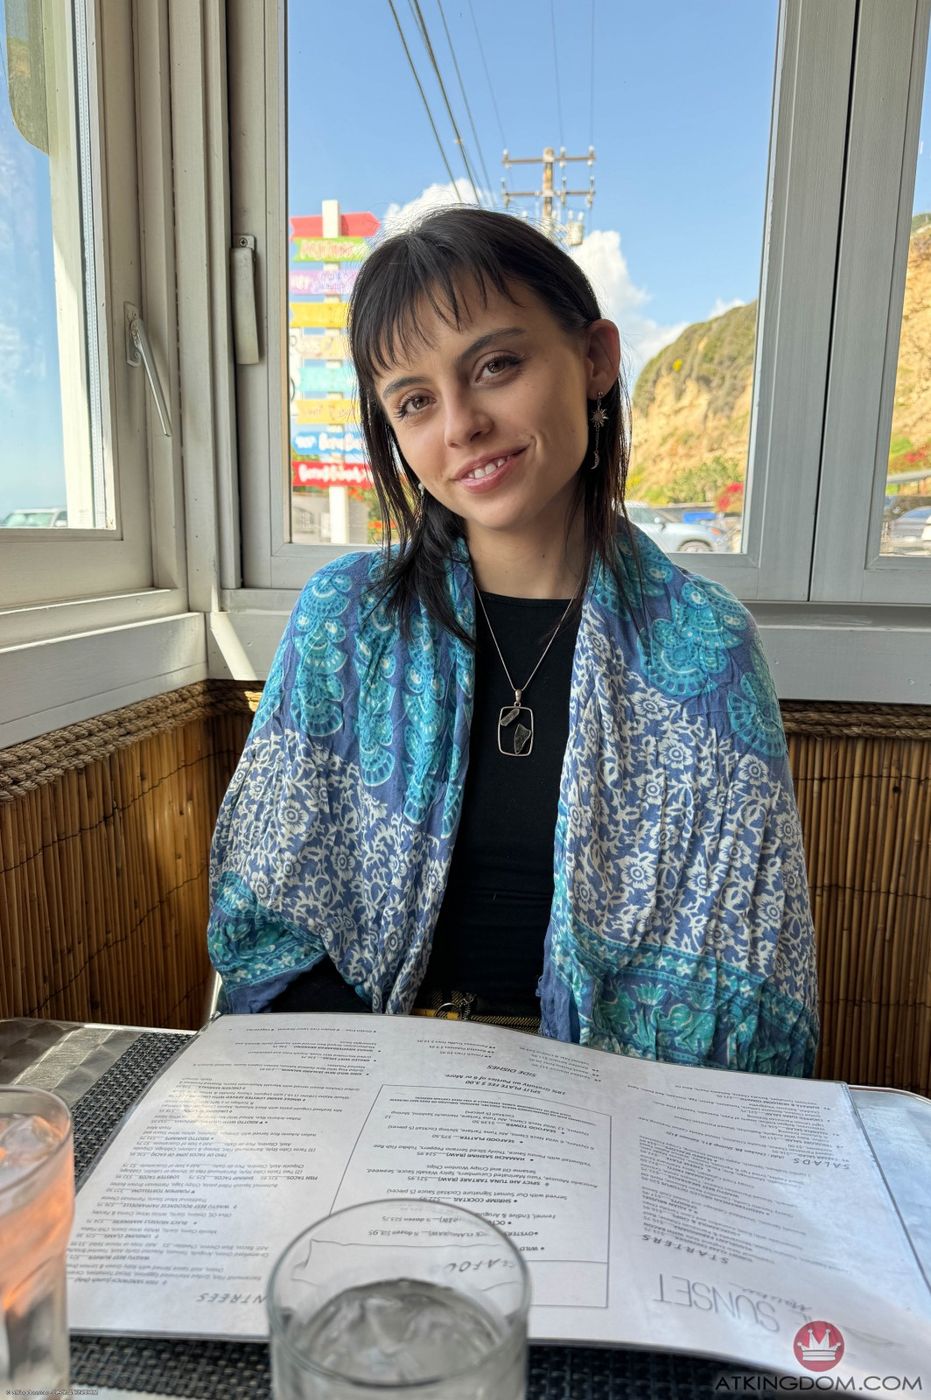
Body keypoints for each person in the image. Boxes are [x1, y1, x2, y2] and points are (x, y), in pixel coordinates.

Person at [207, 206, 819, 1075]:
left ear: (594, 359)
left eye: (495, 365)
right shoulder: (345, 621)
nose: (460, 425)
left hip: (622, 1102)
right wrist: (385, 1085)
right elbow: (268, 925)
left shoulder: (704, 647)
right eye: (414, 401)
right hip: (371, 1078)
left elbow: (741, 992)